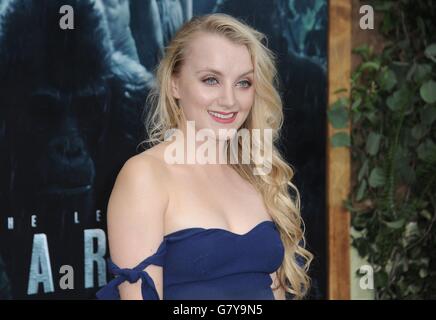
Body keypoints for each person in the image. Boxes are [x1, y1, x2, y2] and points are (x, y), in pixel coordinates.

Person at [96, 13, 312, 300]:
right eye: (211, 80)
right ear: (174, 84)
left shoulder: (257, 175)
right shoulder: (145, 176)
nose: (230, 100)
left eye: (243, 83)